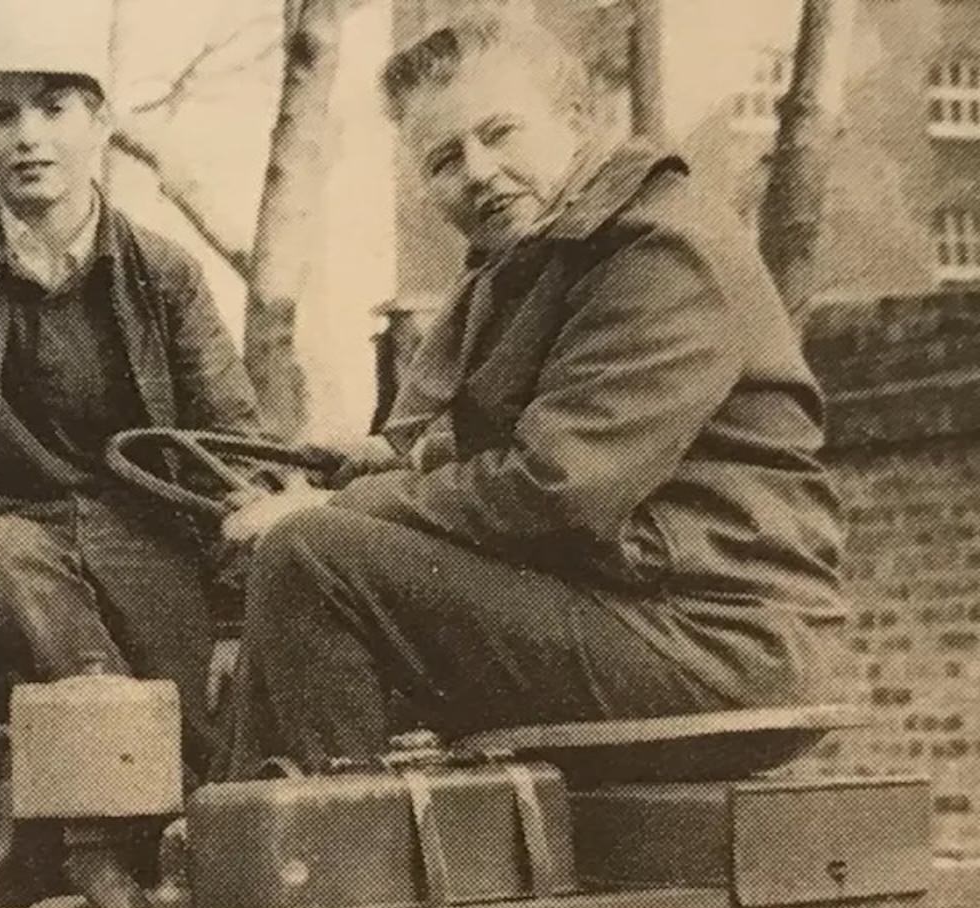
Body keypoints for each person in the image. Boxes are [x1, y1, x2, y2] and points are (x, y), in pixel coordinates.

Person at [214, 10, 847, 779]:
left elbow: (555, 487)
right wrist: (374, 460)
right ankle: (250, 834)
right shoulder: (522, 260)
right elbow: (470, 441)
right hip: (630, 609)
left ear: (576, 121)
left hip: (715, 639)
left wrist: (337, 508)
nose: (477, 171)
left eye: (500, 132)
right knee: (293, 581)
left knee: (313, 558)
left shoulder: (660, 251)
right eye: (444, 159)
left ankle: (323, 861)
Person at [0, 0, 262, 907]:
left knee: (199, 719)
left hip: (142, 532)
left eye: (54, 107)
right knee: (5, 565)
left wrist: (242, 571)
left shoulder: (161, 270)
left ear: (101, 121)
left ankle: (177, 847)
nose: (28, 136)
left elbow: (229, 433)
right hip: (8, 531)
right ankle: (107, 846)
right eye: (1, 114)